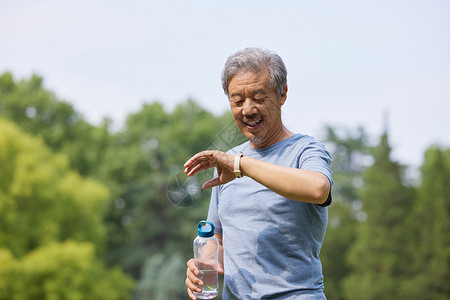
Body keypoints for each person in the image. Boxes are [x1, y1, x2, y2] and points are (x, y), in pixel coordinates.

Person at [184, 47, 333, 299]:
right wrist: (202, 263)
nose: (248, 109)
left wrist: (240, 165)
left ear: (282, 93)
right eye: (238, 100)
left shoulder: (305, 150)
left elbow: (318, 189)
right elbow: (217, 240)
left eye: (258, 97)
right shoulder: (230, 160)